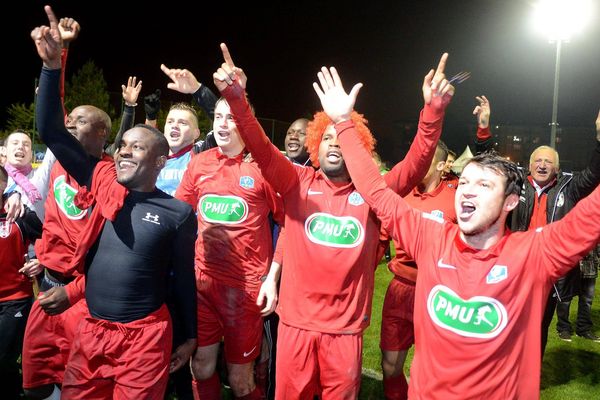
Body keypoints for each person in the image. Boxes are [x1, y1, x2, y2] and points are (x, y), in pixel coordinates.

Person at [319, 63, 600, 399]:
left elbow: (591, 215)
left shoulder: (534, 255)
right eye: (465, 181)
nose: (467, 190)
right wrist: (343, 124)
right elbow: (376, 192)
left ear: (511, 202)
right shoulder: (430, 238)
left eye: (484, 184)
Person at [213, 43, 446, 399]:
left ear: (359, 146)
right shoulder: (296, 182)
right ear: (314, 147)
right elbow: (260, 147)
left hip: (345, 332)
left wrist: (432, 111)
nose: (335, 143)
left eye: (342, 137)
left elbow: (416, 163)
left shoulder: (373, 194)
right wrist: (236, 100)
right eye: (326, 138)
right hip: (295, 326)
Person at [32, 6, 197, 398]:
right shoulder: (101, 178)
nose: (122, 152)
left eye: (136, 147)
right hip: (90, 332)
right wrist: (53, 66)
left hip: (143, 339)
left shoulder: (177, 213)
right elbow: (51, 131)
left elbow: (183, 281)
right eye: (121, 146)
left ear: (160, 160)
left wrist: (189, 335)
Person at [21, 75, 141, 400]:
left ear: (101, 133)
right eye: (69, 120)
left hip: (83, 300)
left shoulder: (110, 178)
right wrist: (56, 60)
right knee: (36, 384)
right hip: (46, 291)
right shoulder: (57, 162)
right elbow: (49, 119)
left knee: (79, 387)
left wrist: (129, 109)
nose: (70, 124)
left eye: (80, 121)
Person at [175, 64, 282, 398]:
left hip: (245, 291)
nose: (222, 124)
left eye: (230, 117)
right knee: (202, 367)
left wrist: (272, 278)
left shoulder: (265, 167)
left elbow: (288, 223)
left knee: (240, 381)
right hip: (203, 283)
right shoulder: (200, 162)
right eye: (217, 117)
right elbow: (179, 214)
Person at [508, 110, 600, 352]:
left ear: (557, 168)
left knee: (539, 327)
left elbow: (593, 175)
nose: (542, 164)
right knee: (507, 325)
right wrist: (484, 130)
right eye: (538, 160)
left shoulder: (569, 188)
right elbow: (488, 165)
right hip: (515, 268)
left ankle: (531, 376)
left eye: (548, 161)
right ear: (529, 165)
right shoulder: (514, 186)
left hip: (548, 273)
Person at [380, 142, 457, 400]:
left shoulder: (456, 197)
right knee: (390, 367)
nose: (416, 163)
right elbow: (381, 237)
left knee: (434, 372)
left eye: (425, 159)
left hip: (436, 292)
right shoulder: (400, 193)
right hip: (400, 288)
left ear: (441, 165)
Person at [0, 166, 43, 399]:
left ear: (4, 185)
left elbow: (51, 238)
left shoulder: (19, 213)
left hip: (14, 300)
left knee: (4, 358)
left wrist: (41, 261)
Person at [556, 245, 600, 342]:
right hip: (570, 266)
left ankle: (583, 329)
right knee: (565, 299)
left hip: (590, 267)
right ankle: (563, 328)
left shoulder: (595, 229)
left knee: (587, 300)